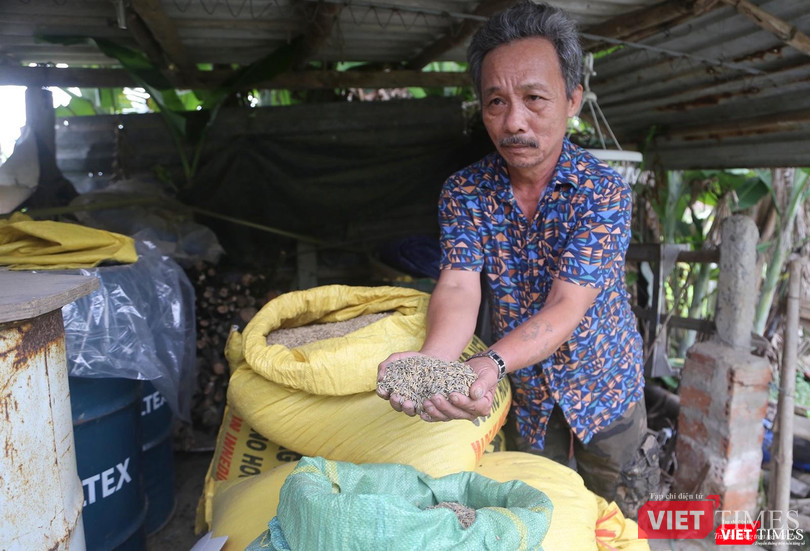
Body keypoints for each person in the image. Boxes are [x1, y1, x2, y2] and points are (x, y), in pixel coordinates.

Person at [377, 0, 658, 517]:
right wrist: (435, 362)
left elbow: (566, 306)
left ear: (573, 99)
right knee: (537, 514)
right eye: (495, 103)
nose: (514, 122)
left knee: (619, 513)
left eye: (534, 98)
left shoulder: (602, 192)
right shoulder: (465, 191)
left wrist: (488, 363)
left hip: (604, 387)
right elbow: (460, 285)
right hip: (524, 397)